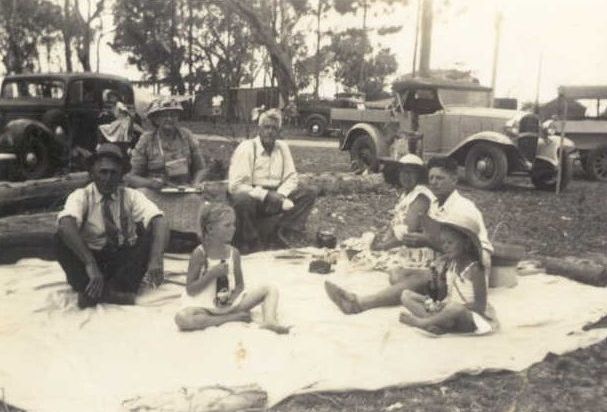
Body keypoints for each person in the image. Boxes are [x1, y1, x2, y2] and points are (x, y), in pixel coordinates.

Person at [325, 156, 493, 315]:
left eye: (440, 178)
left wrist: (427, 242)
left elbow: (467, 250)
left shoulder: (463, 208)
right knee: (397, 274)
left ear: (454, 180)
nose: (434, 183)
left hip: (469, 266)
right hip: (447, 261)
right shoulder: (435, 204)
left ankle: (360, 303)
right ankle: (420, 290)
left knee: (423, 278)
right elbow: (438, 239)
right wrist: (423, 240)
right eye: (432, 178)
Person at [55, 143, 169, 309]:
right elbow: (66, 224)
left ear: (121, 175)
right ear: (93, 173)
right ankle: (112, 292)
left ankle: (97, 294)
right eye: (103, 172)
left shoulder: (131, 196)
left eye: (113, 173)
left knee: (153, 230)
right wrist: (90, 264)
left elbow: (160, 220)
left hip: (121, 259)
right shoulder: (81, 196)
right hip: (91, 258)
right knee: (60, 237)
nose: (108, 178)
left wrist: (156, 259)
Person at [174, 202, 290, 334]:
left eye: (233, 224)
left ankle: (270, 321)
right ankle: (230, 318)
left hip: (228, 303)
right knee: (182, 318)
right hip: (204, 304)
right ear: (210, 229)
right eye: (227, 225)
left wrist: (232, 299)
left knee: (270, 289)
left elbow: (240, 285)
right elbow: (190, 290)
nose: (233, 229)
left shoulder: (233, 252)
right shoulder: (200, 253)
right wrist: (211, 274)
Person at [228, 109, 317, 252]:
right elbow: (235, 186)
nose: (270, 132)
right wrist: (266, 195)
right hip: (254, 196)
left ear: (279, 131)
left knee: (308, 193)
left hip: (277, 194)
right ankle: (251, 241)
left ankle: (281, 234)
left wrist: (281, 195)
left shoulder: (282, 148)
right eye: (266, 127)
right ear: (259, 129)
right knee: (242, 199)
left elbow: (291, 177)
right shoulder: (247, 148)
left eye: (274, 128)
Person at [399, 211, 498, 335]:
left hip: (469, 317)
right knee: (406, 295)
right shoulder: (451, 264)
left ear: (466, 244)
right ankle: (436, 324)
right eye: (443, 243)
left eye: (450, 243)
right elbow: (442, 294)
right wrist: (438, 276)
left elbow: (480, 306)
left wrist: (447, 307)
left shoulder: (475, 269)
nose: (445, 247)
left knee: (455, 307)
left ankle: (423, 323)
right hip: (448, 312)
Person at [342, 154, 437, 272]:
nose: (406, 177)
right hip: (400, 245)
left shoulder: (421, 197)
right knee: (352, 249)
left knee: (366, 260)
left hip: (415, 249)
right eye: (403, 172)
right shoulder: (406, 194)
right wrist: (383, 240)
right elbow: (395, 223)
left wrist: (383, 246)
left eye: (411, 173)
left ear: (418, 175)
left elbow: (407, 233)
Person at [127, 97, 209, 190]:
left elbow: (201, 168)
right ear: (155, 119)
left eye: (173, 115)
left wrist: (196, 183)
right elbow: (131, 177)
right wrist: (150, 183)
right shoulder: (146, 140)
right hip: (154, 193)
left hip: (184, 191)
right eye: (164, 115)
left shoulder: (187, 136)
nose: (169, 118)